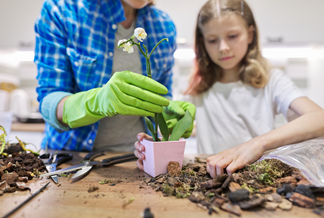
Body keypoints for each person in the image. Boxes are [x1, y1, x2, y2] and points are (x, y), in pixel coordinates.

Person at [134, 0, 324, 177]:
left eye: (232, 36)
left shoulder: (272, 81)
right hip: (213, 181)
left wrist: (258, 143)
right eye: (212, 40)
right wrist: (155, 151)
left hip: (257, 179)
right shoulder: (197, 88)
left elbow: (319, 118)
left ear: (250, 34)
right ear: (202, 43)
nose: (223, 47)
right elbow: (173, 134)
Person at [34, 0, 195, 152]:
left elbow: (161, 94)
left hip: (138, 158)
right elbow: (49, 101)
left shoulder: (163, 26)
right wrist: (94, 102)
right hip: (72, 158)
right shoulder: (63, 12)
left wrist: (169, 114)